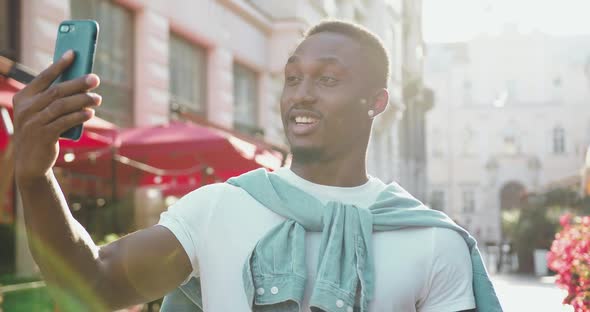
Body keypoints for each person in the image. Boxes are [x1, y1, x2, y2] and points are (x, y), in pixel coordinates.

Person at [12, 20, 499, 311]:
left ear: (377, 102)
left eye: (328, 79)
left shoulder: (432, 240)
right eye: (292, 77)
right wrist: (35, 178)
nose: (301, 93)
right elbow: (90, 285)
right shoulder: (219, 208)